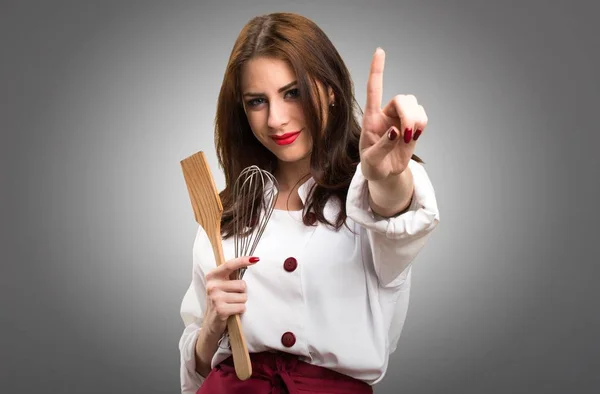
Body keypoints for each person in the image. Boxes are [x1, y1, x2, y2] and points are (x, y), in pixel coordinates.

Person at [178, 11, 440, 394]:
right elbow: (197, 369)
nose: (276, 119)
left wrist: (388, 176)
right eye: (256, 101)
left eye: (293, 92)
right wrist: (211, 328)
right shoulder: (222, 218)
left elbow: (395, 215)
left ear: (330, 89)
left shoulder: (366, 199)